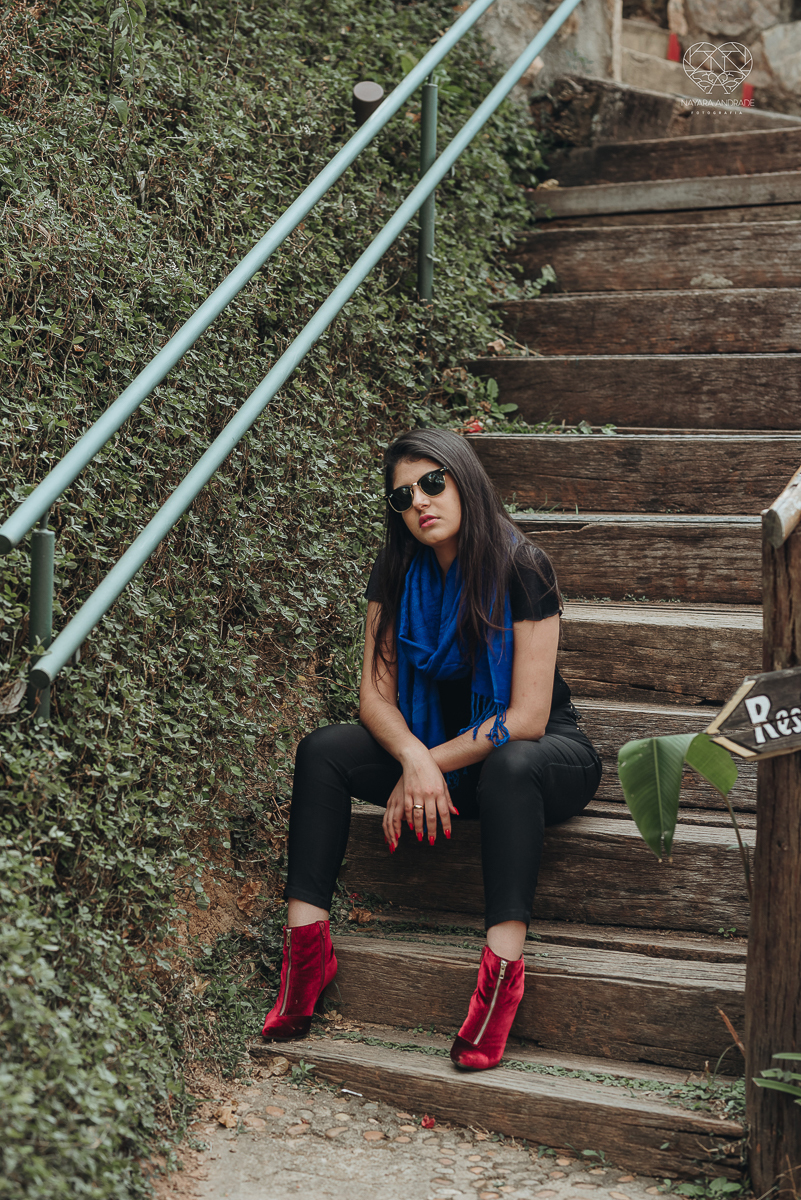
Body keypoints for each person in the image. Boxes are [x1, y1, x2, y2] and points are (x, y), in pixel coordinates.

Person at [261, 428, 602, 1069]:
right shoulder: (395, 572)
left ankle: (500, 979)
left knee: (511, 761)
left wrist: (427, 763)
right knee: (323, 750)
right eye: (403, 496)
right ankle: (305, 956)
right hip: (442, 759)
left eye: (432, 483)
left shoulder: (522, 566)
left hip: (543, 757)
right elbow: (374, 699)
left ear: (465, 479)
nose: (419, 501)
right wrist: (416, 761)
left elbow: (525, 718)